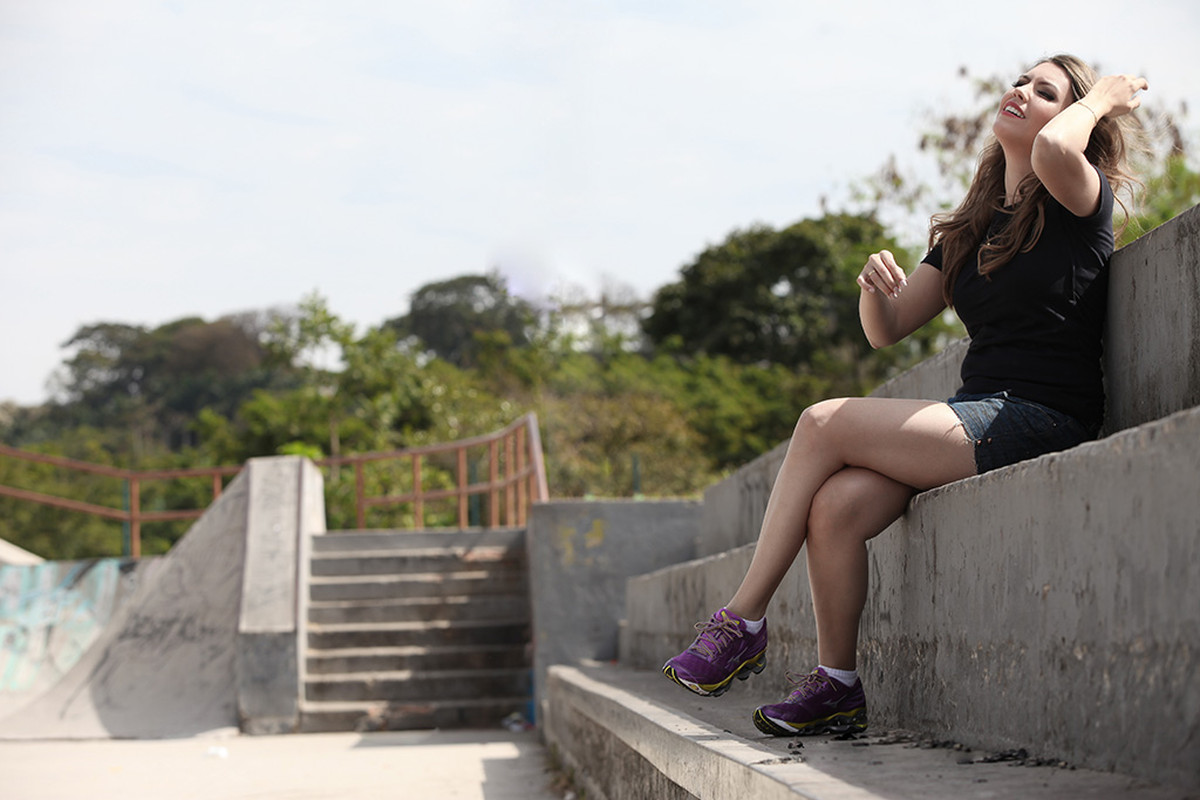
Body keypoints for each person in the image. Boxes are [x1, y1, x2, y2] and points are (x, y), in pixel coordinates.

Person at [662, 54, 1147, 737]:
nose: (1019, 91)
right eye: (1020, 80)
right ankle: (837, 686)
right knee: (834, 507)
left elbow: (1052, 149)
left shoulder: (1077, 198)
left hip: (1042, 417)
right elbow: (886, 329)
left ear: (1074, 120)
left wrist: (1101, 100)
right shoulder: (971, 228)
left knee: (821, 422)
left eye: (1044, 92)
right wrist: (872, 286)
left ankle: (740, 621)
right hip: (975, 416)